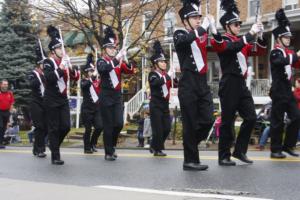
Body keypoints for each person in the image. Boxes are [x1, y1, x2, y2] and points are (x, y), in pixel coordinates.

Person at [211, 0, 267, 166]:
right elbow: (232, 48)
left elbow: (259, 50)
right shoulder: (223, 40)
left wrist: (261, 36)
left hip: (241, 84)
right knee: (228, 121)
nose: (238, 26)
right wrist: (250, 33)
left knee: (250, 117)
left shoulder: (241, 41)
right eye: (236, 24)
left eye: (239, 24)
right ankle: (223, 155)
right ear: (227, 26)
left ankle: (240, 151)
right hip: (229, 84)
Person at [174, 0, 224, 171]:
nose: (198, 19)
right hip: (188, 83)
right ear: (185, 20)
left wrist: (215, 31)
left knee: (208, 119)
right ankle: (190, 161)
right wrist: (202, 27)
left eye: (199, 17)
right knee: (189, 122)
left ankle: (191, 144)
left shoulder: (200, 35)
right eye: (194, 17)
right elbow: (184, 41)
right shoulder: (179, 33)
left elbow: (220, 47)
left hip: (202, 83)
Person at [97, 26, 135, 161]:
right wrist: (116, 59)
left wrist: (125, 58)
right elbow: (104, 69)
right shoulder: (101, 61)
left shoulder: (118, 62)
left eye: (114, 48)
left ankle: (112, 145)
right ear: (105, 49)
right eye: (111, 48)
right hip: (106, 96)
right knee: (108, 125)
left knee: (118, 123)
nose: (113, 50)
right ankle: (108, 151)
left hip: (117, 96)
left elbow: (130, 70)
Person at [43, 25, 80, 165]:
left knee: (66, 126)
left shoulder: (64, 62)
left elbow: (75, 78)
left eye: (62, 48)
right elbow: (49, 78)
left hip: (63, 99)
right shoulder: (48, 62)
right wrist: (61, 68)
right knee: (54, 128)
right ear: (53, 51)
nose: (61, 51)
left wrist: (70, 67)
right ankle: (55, 156)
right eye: (59, 48)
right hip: (51, 99)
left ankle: (53, 145)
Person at [269, 9, 300, 158]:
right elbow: (280, 62)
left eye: (289, 37)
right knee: (277, 121)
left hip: (288, 89)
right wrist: (296, 55)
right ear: (278, 39)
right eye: (286, 38)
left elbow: (295, 63)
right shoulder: (275, 52)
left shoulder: (288, 53)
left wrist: (296, 57)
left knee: (296, 116)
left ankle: (288, 146)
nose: (288, 40)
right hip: (278, 89)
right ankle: (275, 149)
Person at [148, 41, 171, 157]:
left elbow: (173, 85)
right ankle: (158, 149)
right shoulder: (153, 74)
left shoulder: (166, 75)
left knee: (167, 127)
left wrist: (175, 79)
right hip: (156, 105)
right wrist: (166, 78)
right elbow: (155, 83)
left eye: (165, 61)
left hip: (165, 105)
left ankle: (154, 144)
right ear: (156, 64)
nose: (164, 63)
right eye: (162, 62)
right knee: (158, 129)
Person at [81, 53, 103, 154]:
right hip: (87, 109)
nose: (92, 72)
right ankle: (86, 147)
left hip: (96, 108)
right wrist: (92, 78)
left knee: (99, 126)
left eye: (92, 70)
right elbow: (85, 86)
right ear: (86, 72)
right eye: (90, 71)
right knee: (88, 129)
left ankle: (93, 143)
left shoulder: (97, 81)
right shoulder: (84, 81)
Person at [28, 42, 47, 157]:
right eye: (43, 64)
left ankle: (36, 147)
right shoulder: (33, 74)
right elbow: (32, 84)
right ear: (39, 64)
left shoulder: (46, 74)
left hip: (45, 103)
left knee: (46, 127)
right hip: (36, 103)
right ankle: (40, 149)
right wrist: (41, 77)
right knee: (39, 126)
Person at [0, 80, 14, 149]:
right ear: (1, 85)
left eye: (7, 84)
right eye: (4, 84)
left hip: (6, 112)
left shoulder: (10, 93)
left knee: (4, 128)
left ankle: (1, 142)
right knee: (1, 126)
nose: (6, 86)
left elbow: (11, 103)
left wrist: (10, 112)